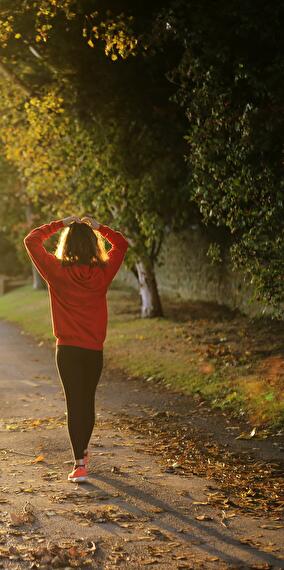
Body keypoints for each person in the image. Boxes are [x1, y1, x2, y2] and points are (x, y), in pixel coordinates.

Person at [23, 214, 129, 482]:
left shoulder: (56, 271)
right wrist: (99, 227)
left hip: (67, 350)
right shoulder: (102, 273)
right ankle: (82, 453)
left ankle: (79, 463)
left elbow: (32, 240)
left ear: (66, 245)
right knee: (87, 402)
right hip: (93, 350)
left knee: (74, 403)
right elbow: (122, 244)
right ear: (94, 246)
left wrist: (60, 223)